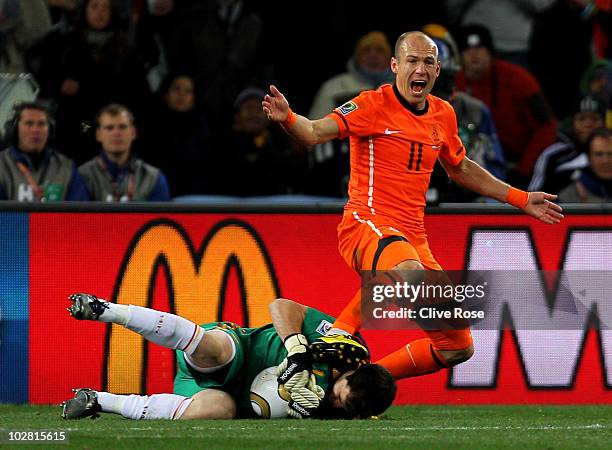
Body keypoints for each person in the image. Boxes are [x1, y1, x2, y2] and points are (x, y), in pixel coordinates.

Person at [262, 31, 563, 386]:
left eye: (427, 62)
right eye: (411, 61)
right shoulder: (370, 105)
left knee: (457, 346)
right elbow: (313, 133)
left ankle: (364, 381)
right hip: (365, 224)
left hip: (412, 240)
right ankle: (337, 333)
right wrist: (288, 119)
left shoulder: (443, 114)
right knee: (409, 271)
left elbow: (461, 167)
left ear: (437, 70)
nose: (419, 69)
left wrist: (522, 199)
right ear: (395, 66)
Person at [61, 294, 396, 420]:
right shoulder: (342, 344)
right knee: (215, 349)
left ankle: (98, 401)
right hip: (239, 350)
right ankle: (106, 309)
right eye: (340, 398)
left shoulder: (346, 413)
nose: (336, 406)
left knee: (216, 410)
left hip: (225, 395)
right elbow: (281, 306)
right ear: (352, 373)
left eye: (344, 409)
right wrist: (297, 346)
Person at [454, 24, 557, 183]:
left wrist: (523, 170)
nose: (474, 55)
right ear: (460, 56)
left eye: (480, 48)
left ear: (491, 53)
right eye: (467, 50)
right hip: (479, 164)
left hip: (522, 161)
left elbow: (547, 125)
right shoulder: (455, 83)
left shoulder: (518, 79)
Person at [422, 23, 506, 203]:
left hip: (464, 196)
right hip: (401, 199)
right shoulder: (388, 108)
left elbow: (493, 169)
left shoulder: (475, 110)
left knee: (491, 202)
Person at [306, 31, 395, 197]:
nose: (373, 56)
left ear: (391, 59)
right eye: (366, 51)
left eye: (379, 51)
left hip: (392, 168)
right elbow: (312, 130)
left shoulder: (401, 89)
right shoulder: (333, 87)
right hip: (338, 170)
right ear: (357, 57)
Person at [216, 87, 304, 196]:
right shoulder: (221, 145)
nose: (254, 114)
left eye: (259, 109)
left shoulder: (281, 144)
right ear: (237, 116)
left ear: (269, 116)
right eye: (248, 108)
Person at [79, 104, 171, 201]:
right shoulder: (83, 176)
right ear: (98, 135)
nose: (116, 133)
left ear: (133, 132)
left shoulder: (153, 178)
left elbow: (161, 216)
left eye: (122, 127)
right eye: (109, 128)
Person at [0, 101, 89, 201]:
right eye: (29, 123)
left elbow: (80, 213)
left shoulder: (66, 168)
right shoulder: (2, 165)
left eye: (41, 124)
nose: (35, 130)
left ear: (50, 130)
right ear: (15, 129)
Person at [141, 74, 212, 197]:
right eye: (176, 89)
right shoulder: (150, 127)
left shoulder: (204, 128)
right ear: (166, 94)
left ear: (193, 98)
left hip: (194, 199)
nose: (181, 95)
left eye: (188, 91)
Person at [529, 94, 607, 195]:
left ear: (604, 122)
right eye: (581, 119)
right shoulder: (552, 154)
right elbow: (534, 194)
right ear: (572, 122)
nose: (588, 124)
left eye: (594, 119)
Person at [558, 128, 612, 203]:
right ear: (588, 158)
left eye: (611, 154)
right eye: (599, 154)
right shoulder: (568, 197)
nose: (605, 160)